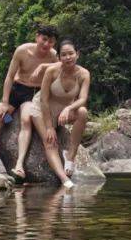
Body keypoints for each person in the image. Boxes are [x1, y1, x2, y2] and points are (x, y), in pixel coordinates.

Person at [0, 24, 59, 166]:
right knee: (0, 118)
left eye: (50, 41)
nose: (46, 44)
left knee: (26, 121)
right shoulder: (22, 51)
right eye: (44, 39)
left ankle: (19, 164)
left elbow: (61, 70)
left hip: (33, 93)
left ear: (54, 43)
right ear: (37, 37)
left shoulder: (53, 55)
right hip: (17, 89)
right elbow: (9, 77)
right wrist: (4, 101)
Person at [13, 39, 89, 188]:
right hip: (42, 109)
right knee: (50, 142)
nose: (68, 57)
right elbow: (43, 100)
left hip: (64, 110)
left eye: (71, 54)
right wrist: (49, 127)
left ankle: (70, 157)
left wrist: (68, 108)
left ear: (77, 54)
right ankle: (64, 180)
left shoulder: (84, 74)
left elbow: (83, 99)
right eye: (64, 55)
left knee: (82, 112)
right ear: (59, 57)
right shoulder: (52, 71)